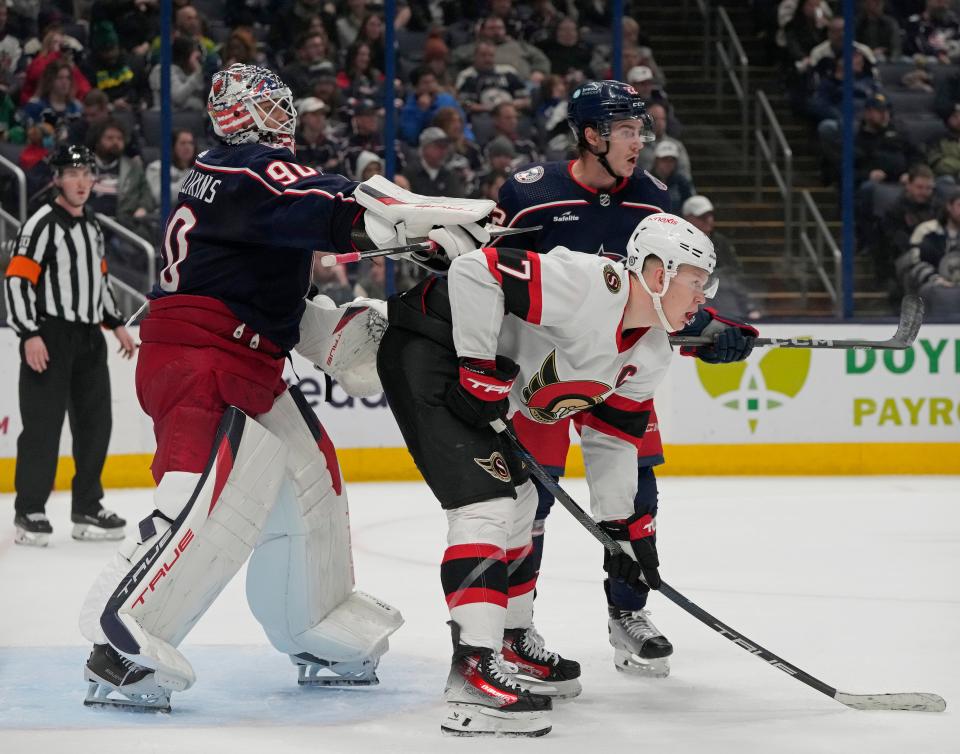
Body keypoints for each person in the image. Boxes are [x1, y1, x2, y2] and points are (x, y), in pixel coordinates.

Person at [76, 62, 489, 712]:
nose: (282, 119)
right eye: (269, 107)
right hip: (201, 361)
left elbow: (264, 290)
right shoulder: (244, 170)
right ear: (240, 115)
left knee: (310, 481)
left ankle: (316, 626)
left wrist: (337, 331)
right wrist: (435, 220)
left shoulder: (231, 186)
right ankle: (123, 640)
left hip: (240, 357)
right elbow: (343, 209)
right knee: (204, 501)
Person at [376, 212, 724, 736]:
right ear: (656, 273)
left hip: (477, 381)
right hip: (433, 344)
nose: (703, 300)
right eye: (695, 283)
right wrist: (475, 366)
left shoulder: (649, 352)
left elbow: (611, 440)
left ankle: (510, 641)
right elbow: (475, 271)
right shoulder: (593, 286)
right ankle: (472, 673)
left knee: (519, 505)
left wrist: (619, 534)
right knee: (487, 507)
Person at [491, 80, 757, 681]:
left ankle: (627, 615)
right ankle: (515, 626)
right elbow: (497, 284)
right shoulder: (531, 195)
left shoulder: (654, 198)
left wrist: (709, 330)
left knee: (637, 492)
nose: (642, 143)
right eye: (630, 131)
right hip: (543, 371)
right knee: (528, 502)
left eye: (643, 130)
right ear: (592, 135)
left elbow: (662, 293)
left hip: (618, 368)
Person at [3, 144, 136, 547]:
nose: (80, 181)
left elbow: (99, 279)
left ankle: (87, 506)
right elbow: (17, 280)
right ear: (57, 179)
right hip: (50, 334)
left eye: (86, 173)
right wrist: (29, 333)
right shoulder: (41, 224)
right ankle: (30, 510)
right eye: (71, 173)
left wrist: (115, 324)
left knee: (96, 424)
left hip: (88, 339)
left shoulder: (92, 225)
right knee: (43, 425)